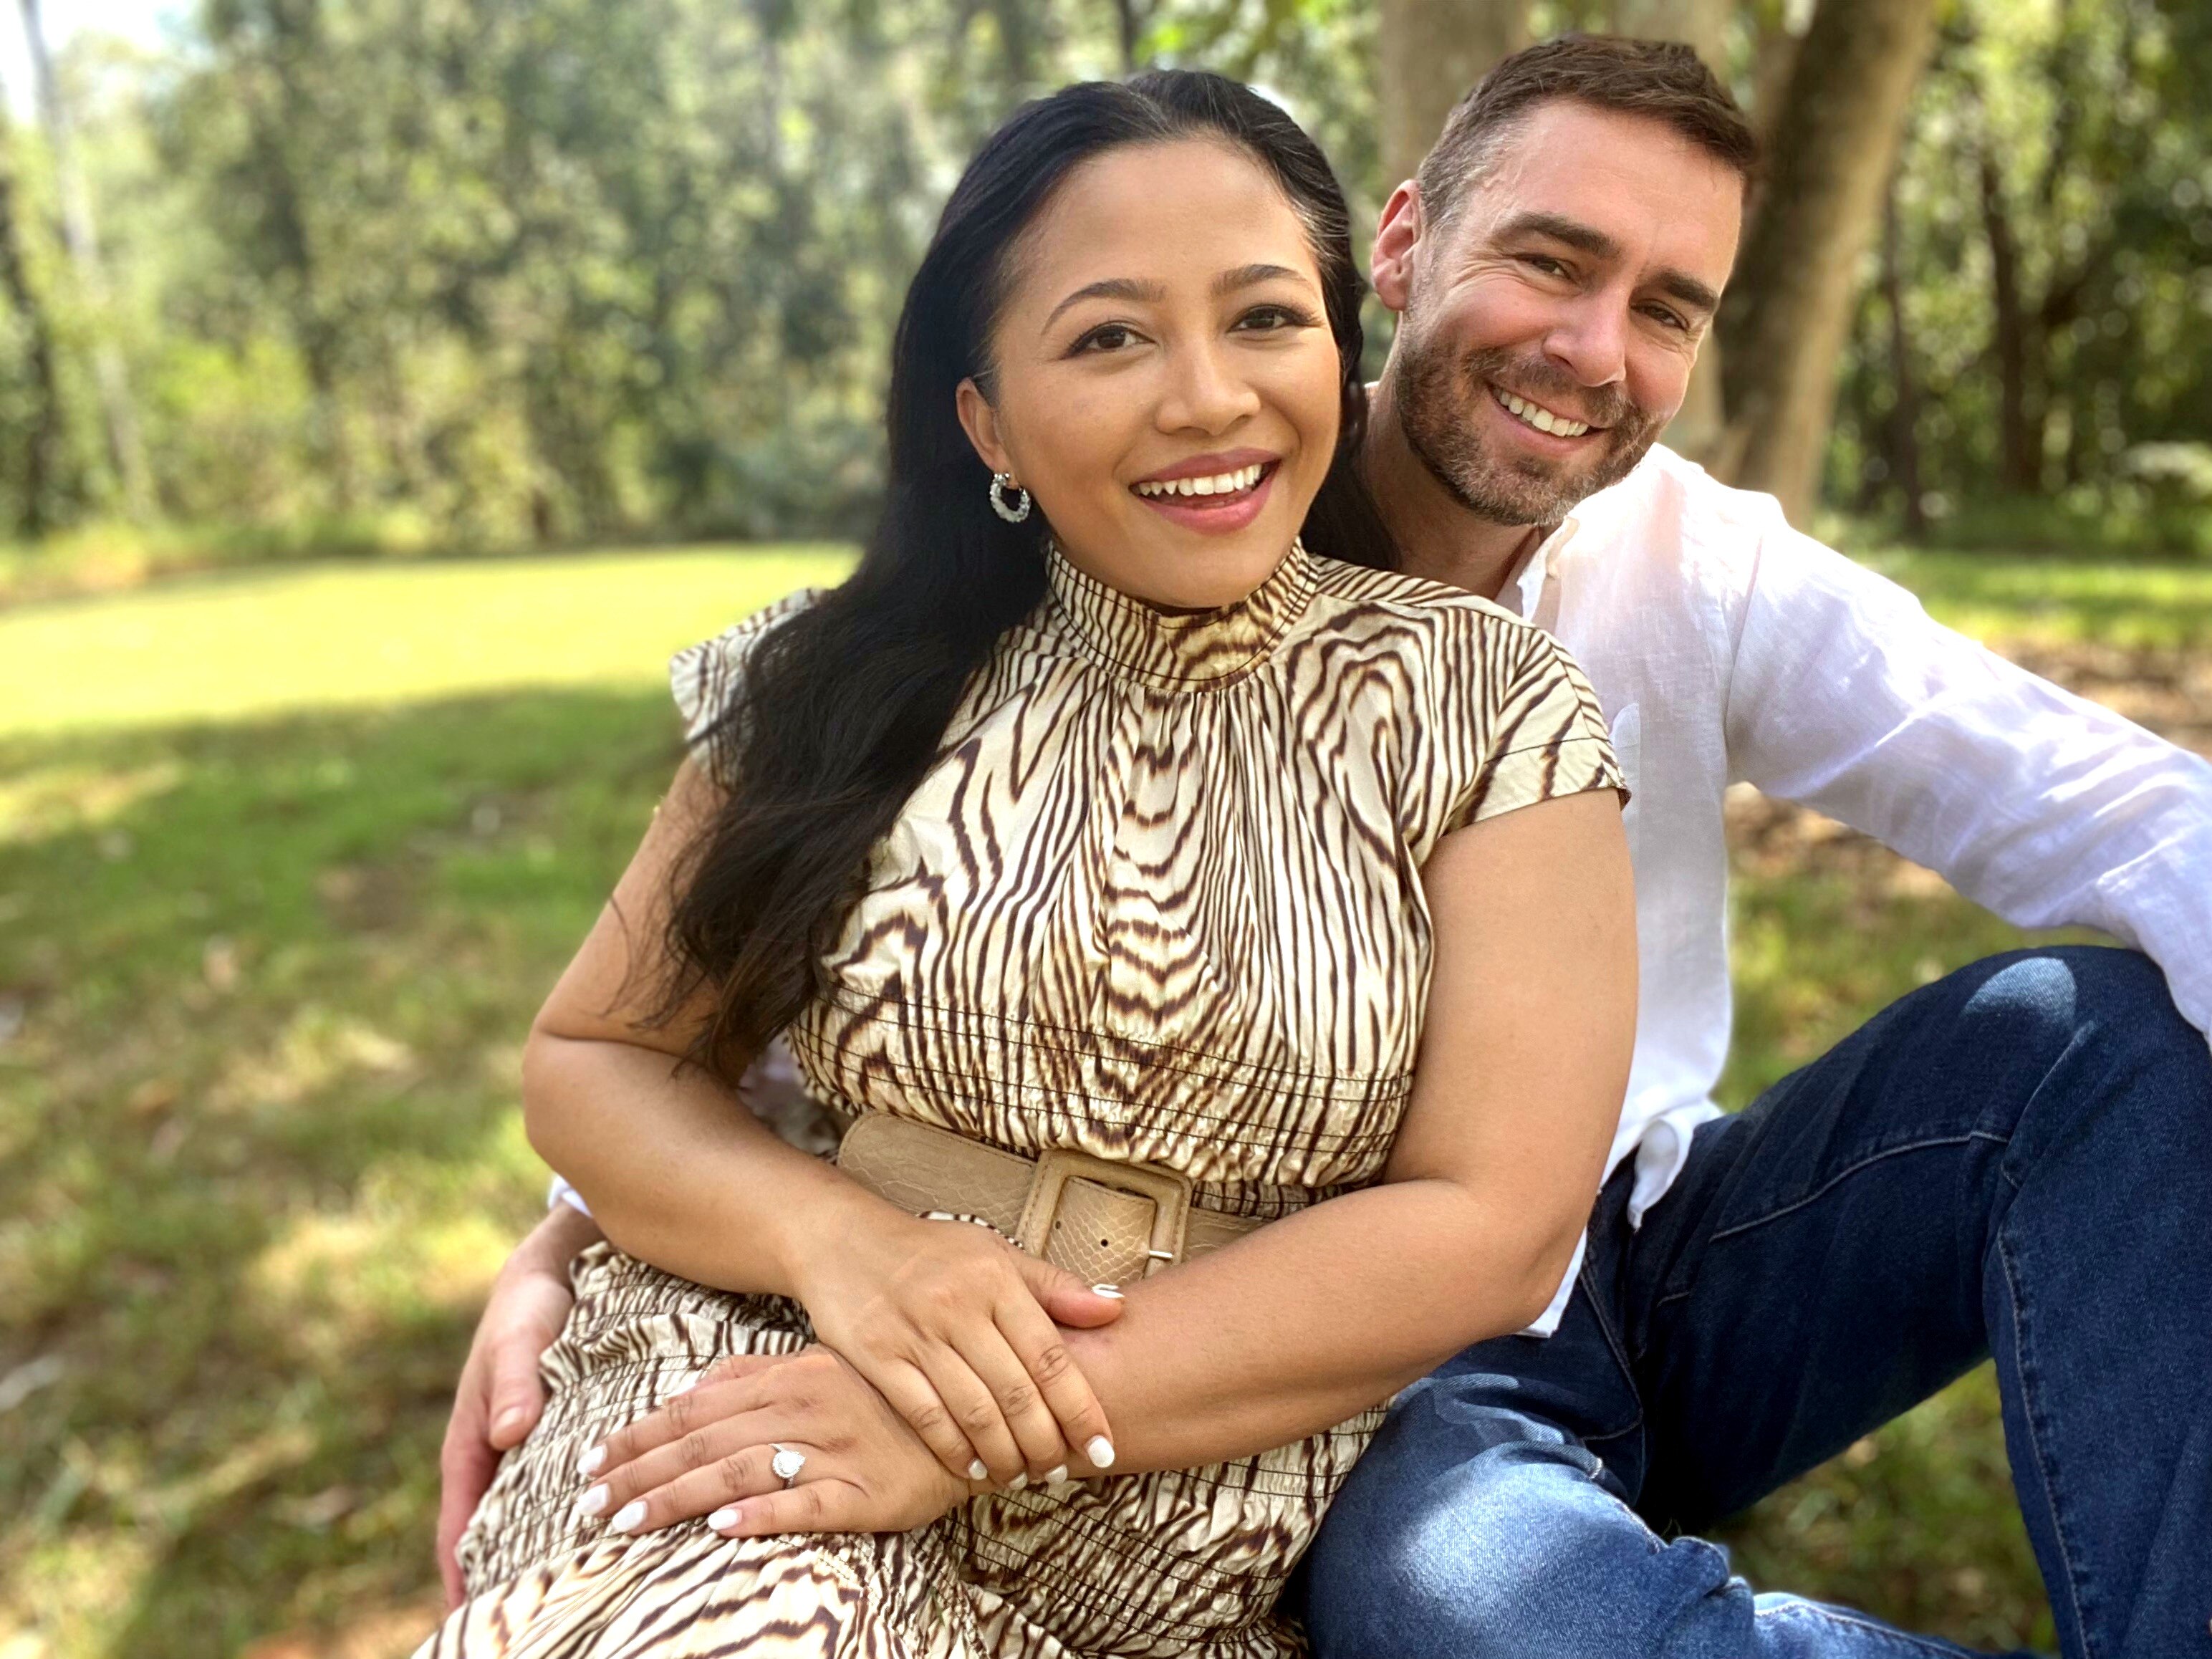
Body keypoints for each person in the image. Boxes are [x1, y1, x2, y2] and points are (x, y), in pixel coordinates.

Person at [446, 37, 2212, 1659]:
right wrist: (596, 1232)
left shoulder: (1660, 594)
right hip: (1337, 1340)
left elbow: (2112, 808)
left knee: (2084, 1046)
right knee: (1470, 1598)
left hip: (1616, 1241)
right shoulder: (1033, 577)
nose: (1591, 349)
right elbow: (832, 937)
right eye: (1548, 258)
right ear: (1401, 246)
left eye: (1664, 306)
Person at [418, 69, 1636, 1657]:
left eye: (1263, 318)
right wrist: (843, 1246)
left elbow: (1494, 1219)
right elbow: (596, 1060)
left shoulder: (1487, 702)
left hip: (1210, 1494)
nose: (1205, 398)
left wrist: (979, 1418)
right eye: (1108, 336)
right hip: (770, 1383)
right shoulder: (839, 676)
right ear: (985, 416)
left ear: (1340, 347)